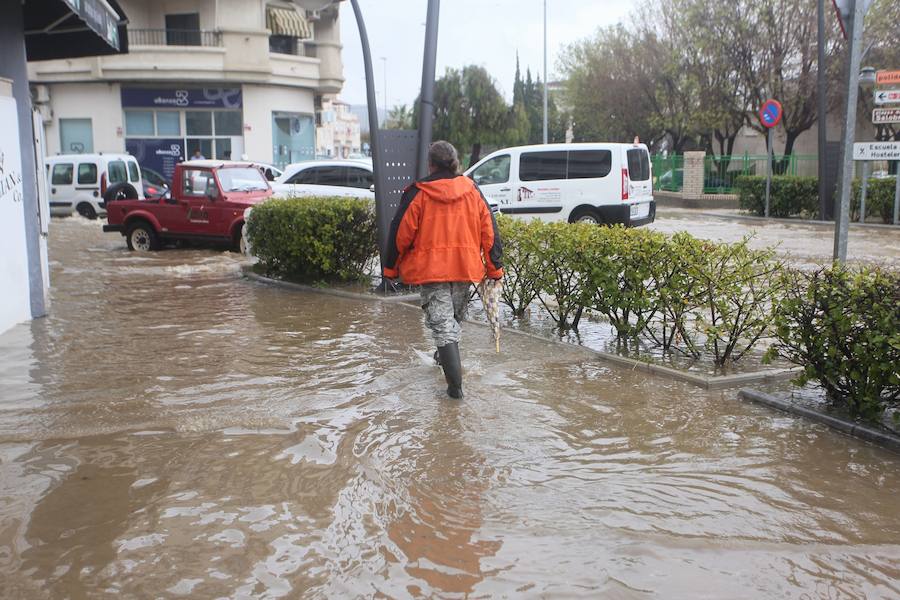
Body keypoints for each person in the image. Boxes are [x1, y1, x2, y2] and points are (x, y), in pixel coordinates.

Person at [383, 141, 503, 399]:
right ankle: (443, 364)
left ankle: (455, 392)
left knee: (443, 327)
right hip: (464, 270)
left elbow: (399, 234)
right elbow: (490, 230)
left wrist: (390, 269)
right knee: (451, 323)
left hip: (432, 272)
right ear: (456, 163)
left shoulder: (418, 193)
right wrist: (495, 268)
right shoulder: (472, 190)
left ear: (430, 164)